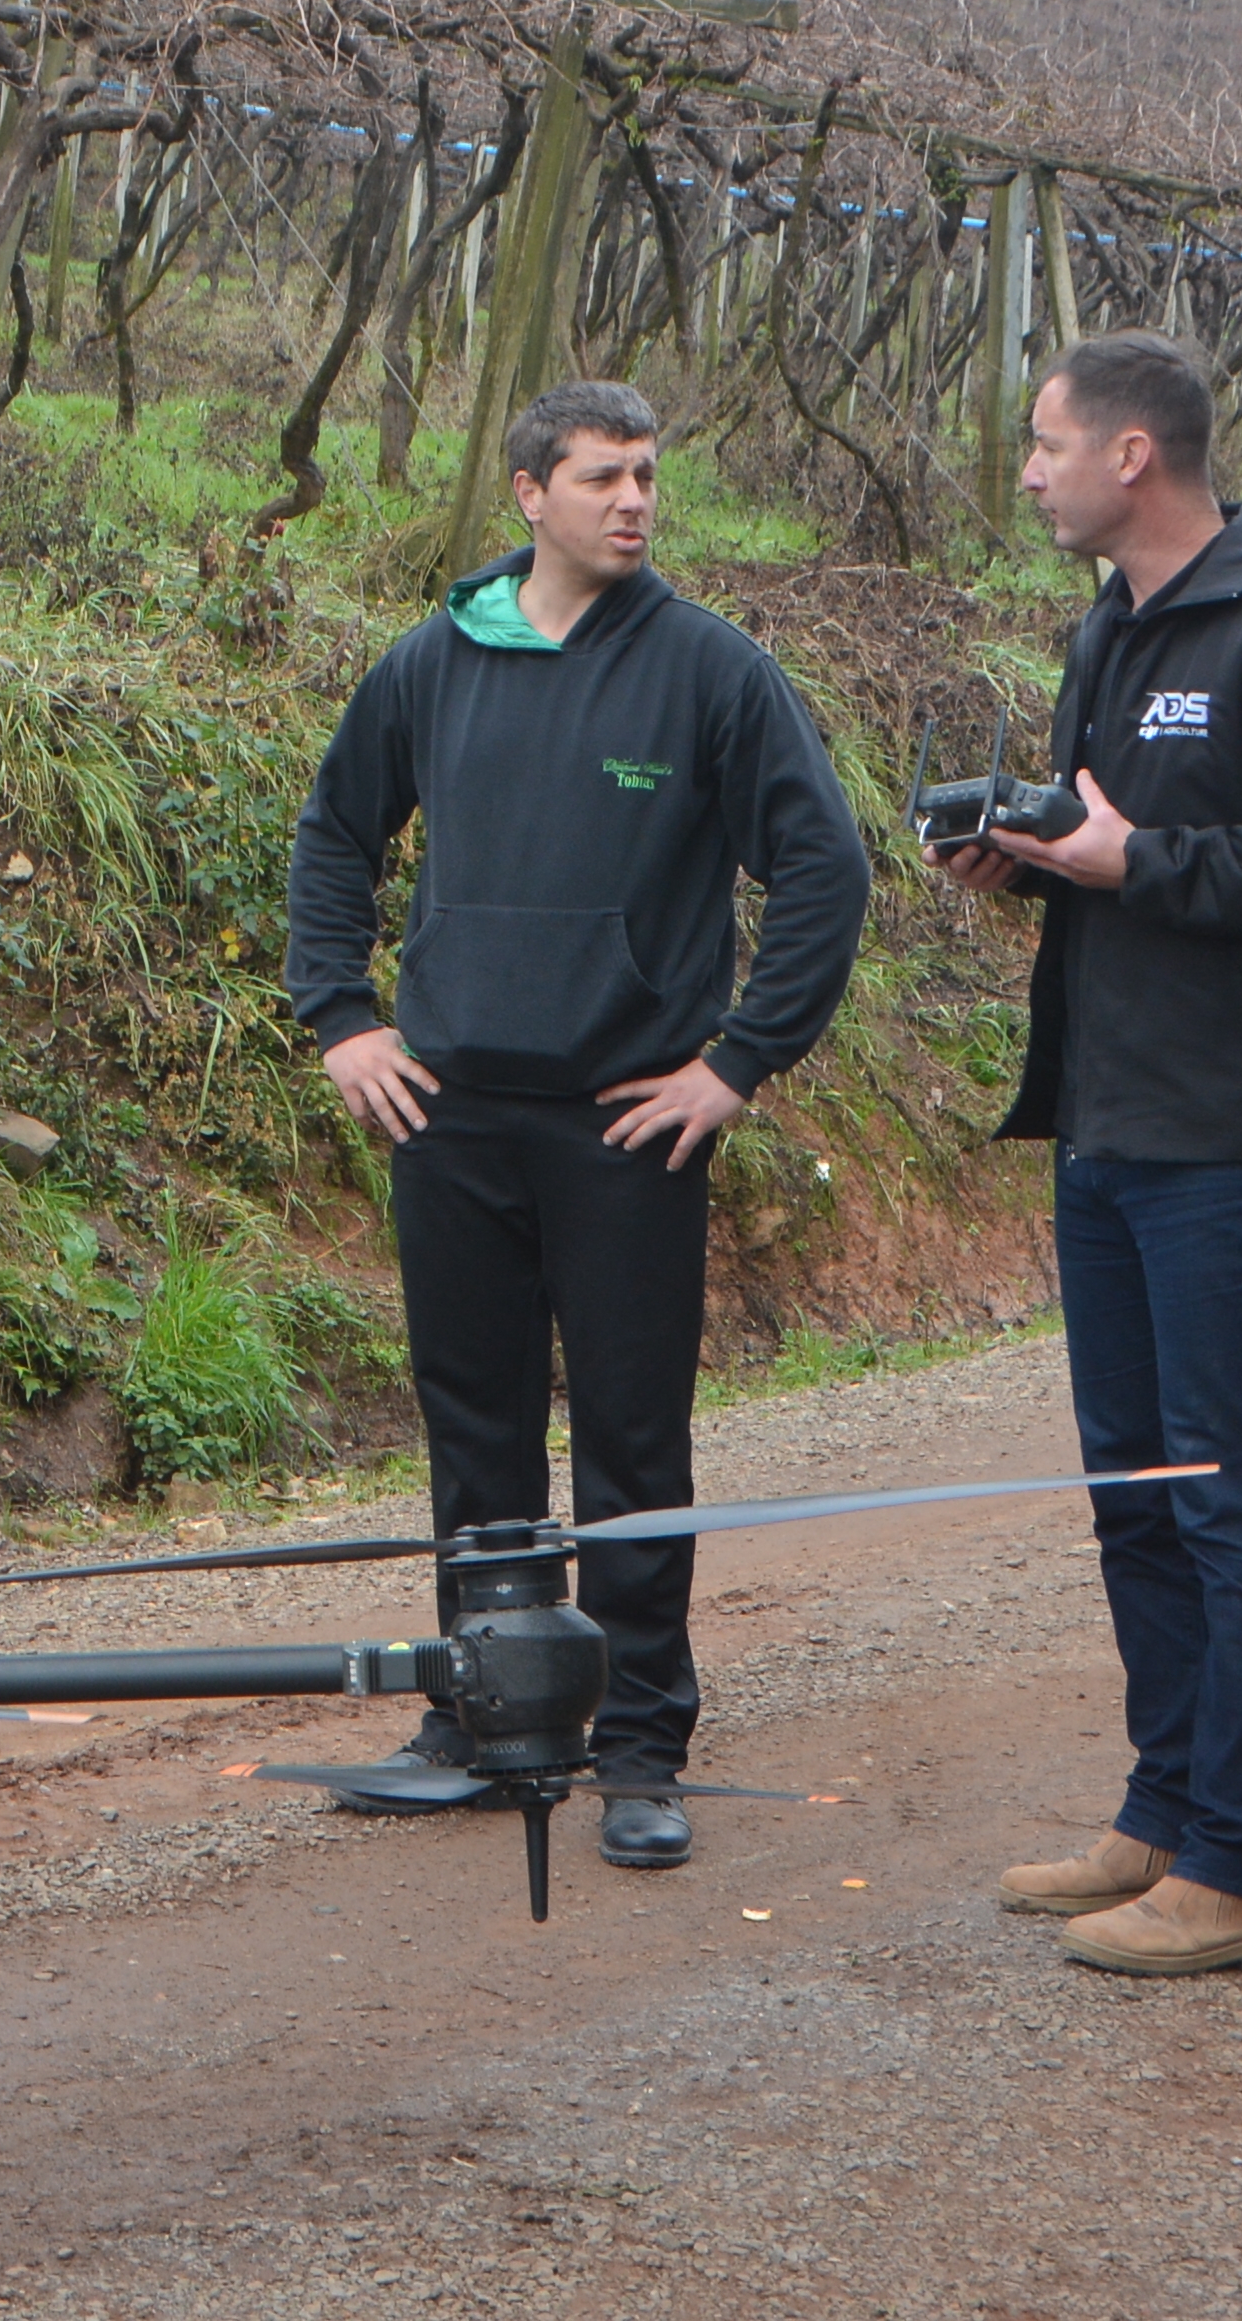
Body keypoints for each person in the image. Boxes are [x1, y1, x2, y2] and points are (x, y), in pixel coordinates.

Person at [288, 381, 868, 1867]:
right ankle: (486, 1716)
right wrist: (343, 1019)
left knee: (630, 1443)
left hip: (628, 1127)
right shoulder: (432, 662)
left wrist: (736, 1066)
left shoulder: (710, 674)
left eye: (651, 478)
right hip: (454, 1118)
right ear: (529, 494)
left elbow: (824, 871)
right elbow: (336, 831)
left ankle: (638, 1741)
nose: (635, 503)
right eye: (605, 477)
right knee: (474, 1432)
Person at [932, 331, 1242, 1976]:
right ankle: (1162, 1812)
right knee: (1136, 1497)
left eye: (1045, 441)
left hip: (1236, 1135)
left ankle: (1241, 1871)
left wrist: (1140, 859)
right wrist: (1045, 857)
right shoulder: (1114, 625)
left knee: (1229, 1496)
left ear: (1132, 455)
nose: (1028, 469)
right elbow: (1121, 842)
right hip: (1113, 1119)